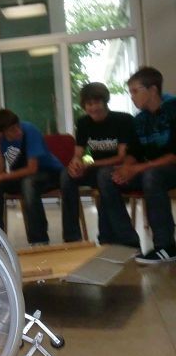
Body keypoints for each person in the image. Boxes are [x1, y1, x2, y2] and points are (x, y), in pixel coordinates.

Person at [98, 67, 176, 263]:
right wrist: (126, 168)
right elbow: (134, 152)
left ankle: (166, 246)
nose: (132, 97)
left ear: (153, 90)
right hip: (151, 169)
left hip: (169, 169)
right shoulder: (140, 119)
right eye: (130, 92)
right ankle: (128, 242)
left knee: (152, 176)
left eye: (135, 91)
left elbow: (173, 156)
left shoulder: (173, 109)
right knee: (106, 175)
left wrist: (137, 168)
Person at [60, 82, 135, 243]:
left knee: (103, 174)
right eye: (89, 104)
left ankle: (119, 237)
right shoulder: (83, 123)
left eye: (97, 103)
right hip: (93, 168)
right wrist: (75, 163)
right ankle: (72, 237)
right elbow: (79, 152)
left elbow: (122, 156)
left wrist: (90, 164)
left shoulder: (122, 120)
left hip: (117, 168)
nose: (93, 108)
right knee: (66, 176)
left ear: (105, 102)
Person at [0, 109, 63, 245]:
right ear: (1, 132)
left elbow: (32, 168)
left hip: (50, 174)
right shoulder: (1, 139)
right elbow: (0, 170)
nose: (18, 131)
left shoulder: (30, 130)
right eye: (12, 130)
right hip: (23, 176)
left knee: (28, 183)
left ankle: (39, 240)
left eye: (18, 126)